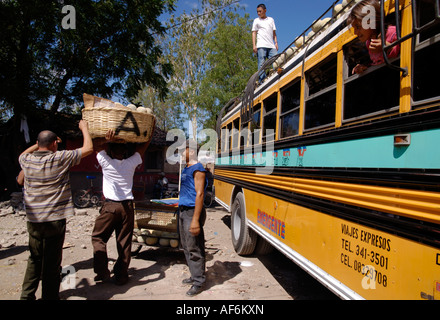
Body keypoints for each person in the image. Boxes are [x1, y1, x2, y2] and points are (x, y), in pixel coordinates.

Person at [18, 120, 93, 300]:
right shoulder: (59, 158)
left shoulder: (26, 160)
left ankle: (26, 296)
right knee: (52, 263)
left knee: (34, 259)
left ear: (38, 143)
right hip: (54, 220)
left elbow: (22, 155)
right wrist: (84, 128)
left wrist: (38, 144)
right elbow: (88, 148)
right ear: (54, 144)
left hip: (33, 220)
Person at [91, 129, 150, 285]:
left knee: (98, 237)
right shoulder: (131, 162)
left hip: (110, 206)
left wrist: (107, 139)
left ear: (110, 151)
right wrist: (148, 132)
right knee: (124, 242)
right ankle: (122, 276)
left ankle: (103, 271)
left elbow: (94, 145)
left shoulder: (105, 161)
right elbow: (143, 147)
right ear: (124, 152)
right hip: (127, 208)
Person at [178, 139, 207, 296]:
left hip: (192, 212)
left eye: (184, 150)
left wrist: (196, 219)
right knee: (187, 245)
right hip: (183, 210)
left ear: (192, 151)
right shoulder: (187, 168)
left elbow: (200, 194)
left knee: (194, 247)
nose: (182, 153)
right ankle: (195, 275)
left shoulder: (198, 169)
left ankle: (198, 281)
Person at [347, 0, 400, 74]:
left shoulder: (392, 32)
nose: (355, 32)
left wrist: (388, 47)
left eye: (358, 27)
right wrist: (364, 67)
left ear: (372, 22)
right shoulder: (369, 43)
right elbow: (376, 62)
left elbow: (404, 50)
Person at [252, 3, 278, 83]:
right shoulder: (256, 20)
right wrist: (254, 45)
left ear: (265, 10)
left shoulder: (271, 20)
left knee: (276, 60)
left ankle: (276, 76)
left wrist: (276, 42)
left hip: (271, 45)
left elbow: (274, 33)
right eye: (257, 12)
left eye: (260, 11)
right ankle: (262, 81)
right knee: (261, 64)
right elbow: (254, 33)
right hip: (261, 45)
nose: (258, 13)